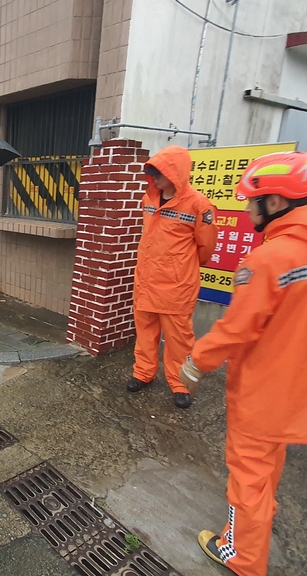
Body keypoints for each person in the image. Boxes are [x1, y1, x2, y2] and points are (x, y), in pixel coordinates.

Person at [179, 152, 307, 576]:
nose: (246, 208)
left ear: (277, 202)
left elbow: (237, 328)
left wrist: (195, 363)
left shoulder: (269, 260)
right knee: (267, 469)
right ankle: (251, 533)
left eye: (251, 200)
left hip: (264, 387)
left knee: (247, 476)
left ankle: (242, 557)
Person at [128, 146, 218, 409]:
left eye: (159, 172)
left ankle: (180, 384)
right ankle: (143, 372)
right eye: (152, 172)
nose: (153, 177)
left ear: (175, 173)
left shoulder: (199, 205)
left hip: (176, 286)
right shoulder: (149, 199)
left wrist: (181, 268)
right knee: (145, 332)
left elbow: (206, 247)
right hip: (146, 280)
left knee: (179, 339)